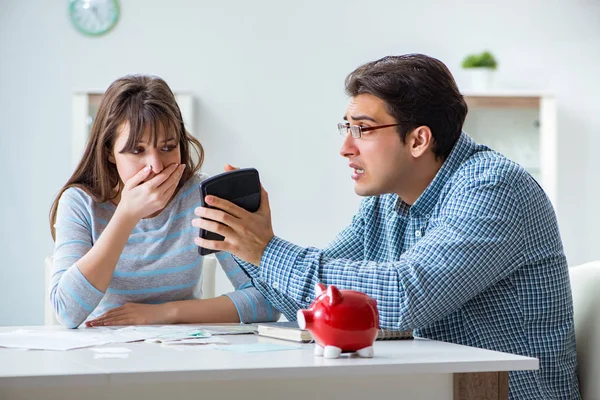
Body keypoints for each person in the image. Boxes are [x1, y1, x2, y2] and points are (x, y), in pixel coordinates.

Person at [192, 54, 580, 399]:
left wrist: (268, 249)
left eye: (362, 129)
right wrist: (238, 237)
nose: (345, 147)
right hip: (435, 387)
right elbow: (313, 301)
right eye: (345, 127)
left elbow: (404, 297)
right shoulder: (387, 202)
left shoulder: (492, 186)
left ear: (418, 140)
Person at [49, 75, 279, 329]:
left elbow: (267, 301)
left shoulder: (201, 197)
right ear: (109, 153)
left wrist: (166, 312)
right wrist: (126, 215)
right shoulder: (80, 203)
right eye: (137, 151)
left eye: (168, 147)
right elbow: (67, 313)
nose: (156, 166)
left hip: (183, 354)